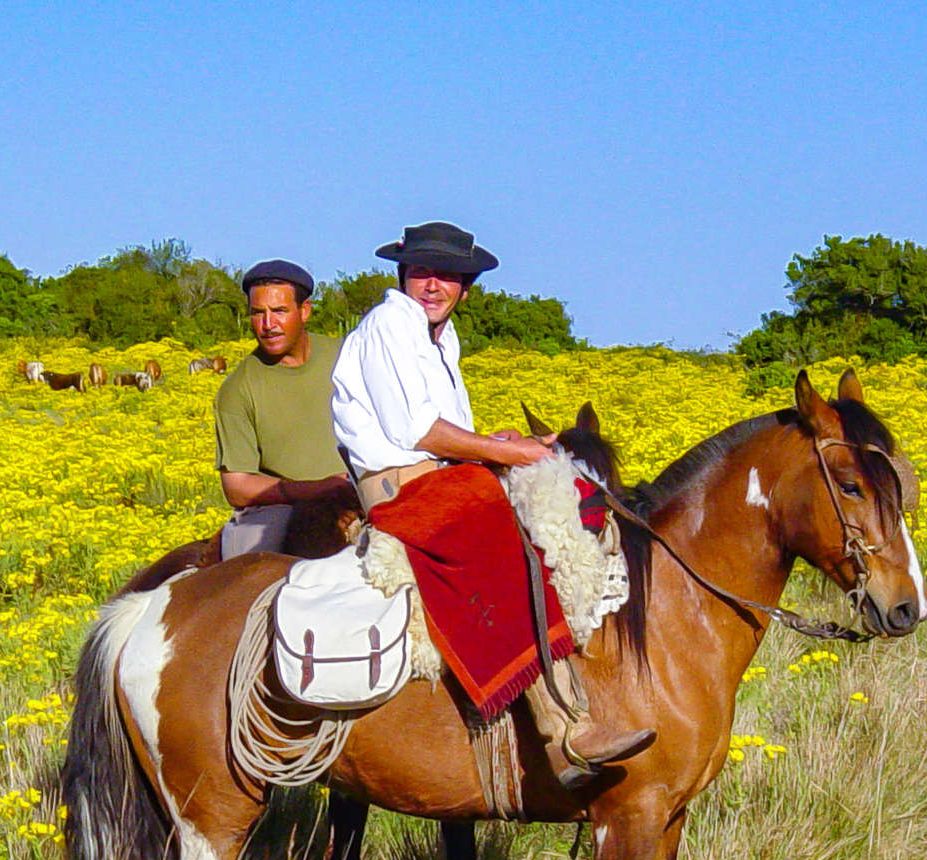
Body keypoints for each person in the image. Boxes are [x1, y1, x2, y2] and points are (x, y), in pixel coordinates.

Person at [331, 222, 653, 786]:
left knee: (567, 509)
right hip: (398, 485)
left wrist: (500, 443)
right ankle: (560, 730)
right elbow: (418, 430)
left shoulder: (440, 340)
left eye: (448, 275)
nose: (434, 285)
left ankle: (594, 686)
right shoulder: (391, 322)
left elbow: (448, 432)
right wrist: (509, 453)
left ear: (465, 286)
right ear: (404, 274)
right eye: (424, 272)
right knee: (503, 541)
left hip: (436, 474)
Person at [214, 259, 351, 558]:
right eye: (257, 313)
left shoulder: (348, 356)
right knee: (248, 578)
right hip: (282, 510)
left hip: (361, 494)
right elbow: (237, 487)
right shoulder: (237, 389)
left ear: (304, 311)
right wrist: (318, 489)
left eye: (279, 311)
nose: (267, 325)